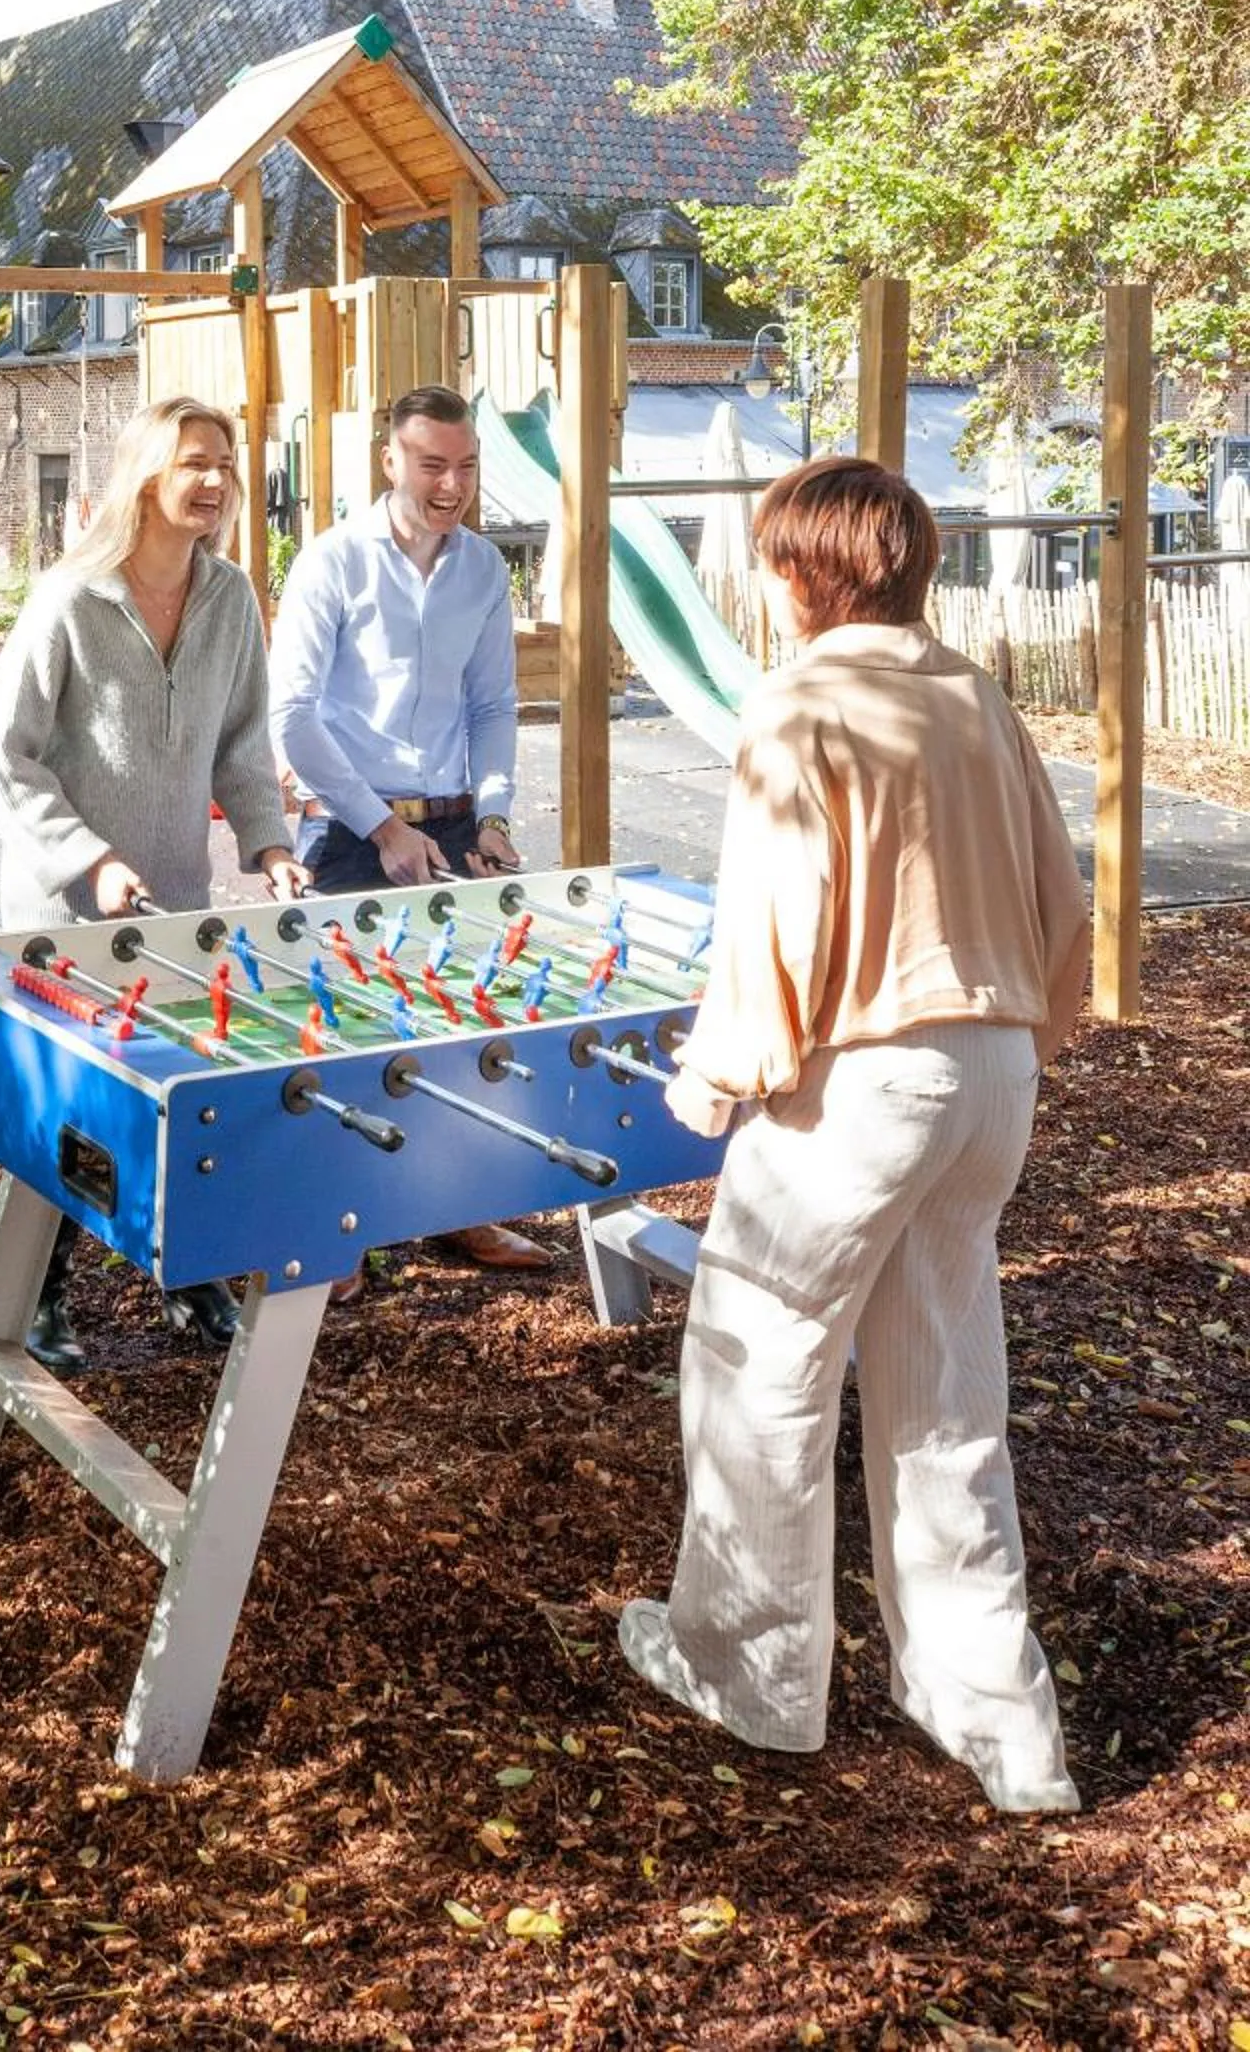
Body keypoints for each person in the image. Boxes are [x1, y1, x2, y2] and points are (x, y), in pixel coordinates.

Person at [620, 457, 1090, 1816]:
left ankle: (748, 1676)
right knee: (946, 1398)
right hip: (993, 1070)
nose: (764, 585)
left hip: (867, 1077)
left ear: (807, 571)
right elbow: (1065, 900)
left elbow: (780, 914)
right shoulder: (974, 695)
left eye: (773, 561)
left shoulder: (804, 699)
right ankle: (1001, 1724)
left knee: (755, 1362)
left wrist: (718, 1079)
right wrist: (1021, 1038)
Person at [0, 395, 314, 1378]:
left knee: (179, 1098)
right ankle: (37, 1296)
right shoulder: (68, 600)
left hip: (170, 908)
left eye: (222, 463)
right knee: (64, 1113)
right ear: (144, 478)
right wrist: (88, 857)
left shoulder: (230, 599)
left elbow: (244, 746)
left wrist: (267, 844)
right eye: (190, 463)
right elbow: (6, 760)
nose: (211, 481)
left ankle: (183, 1269)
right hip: (61, 912)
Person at [268, 382, 546, 1281]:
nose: (451, 485)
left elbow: (495, 703)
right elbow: (294, 717)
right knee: (339, 1029)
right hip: (350, 828)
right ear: (390, 460)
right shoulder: (331, 562)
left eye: (466, 467)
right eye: (432, 464)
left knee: (461, 1023)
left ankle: (459, 1211)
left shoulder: (483, 571)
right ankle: (333, 1232)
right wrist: (381, 824)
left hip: (456, 823)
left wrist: (494, 814)